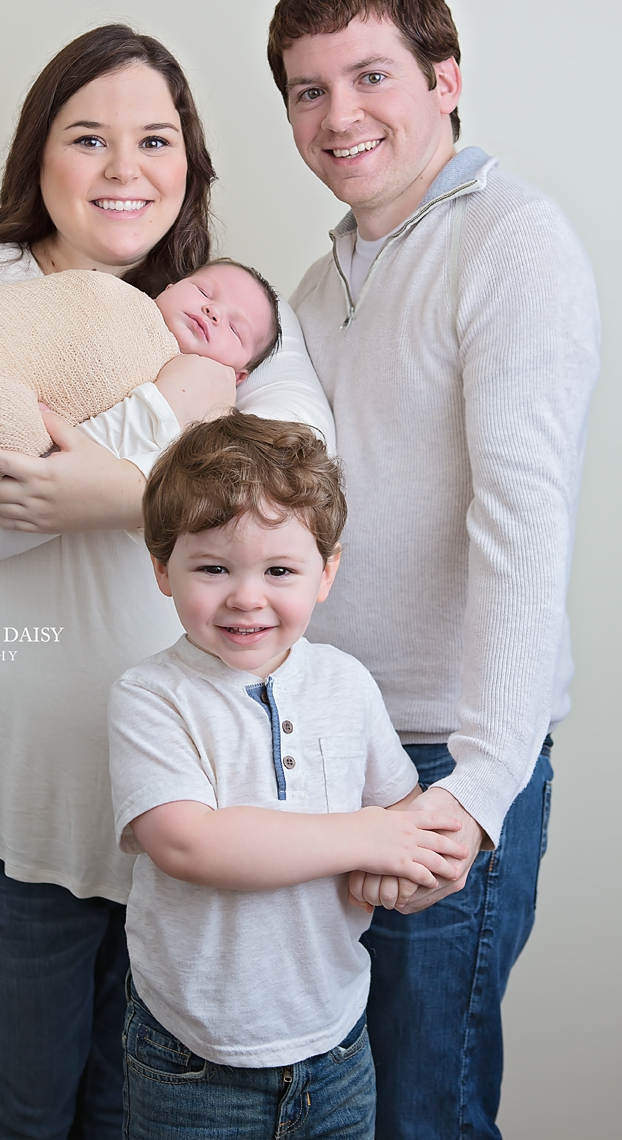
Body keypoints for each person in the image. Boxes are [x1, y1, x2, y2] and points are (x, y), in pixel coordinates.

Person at [0, 23, 335, 1140]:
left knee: (136, 1117)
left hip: (183, 813)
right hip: (6, 802)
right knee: (20, 1109)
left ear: (190, 163)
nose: (125, 169)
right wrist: (183, 403)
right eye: (89, 137)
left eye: (155, 138)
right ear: (40, 155)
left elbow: (292, 492)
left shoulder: (221, 303)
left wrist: (101, 488)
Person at [266, 0, 601, 1139]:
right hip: (324, 734)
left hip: (440, 755)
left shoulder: (511, 240)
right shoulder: (320, 280)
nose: (338, 114)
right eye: (307, 91)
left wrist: (482, 780)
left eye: (369, 76)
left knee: (426, 1112)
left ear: (445, 79)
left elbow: (523, 516)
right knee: (325, 1106)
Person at [108, 413, 468, 1140]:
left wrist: (413, 869)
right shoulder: (150, 697)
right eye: (213, 568)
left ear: (325, 573)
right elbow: (190, 846)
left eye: (279, 570)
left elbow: (402, 818)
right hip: (194, 1062)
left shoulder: (347, 683)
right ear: (160, 569)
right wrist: (365, 838)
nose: (246, 597)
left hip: (336, 1047)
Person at [0, 258, 281, 484]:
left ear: (239, 376)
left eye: (234, 327)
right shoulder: (108, 298)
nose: (213, 311)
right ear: (169, 288)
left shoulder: (214, 410)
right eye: (205, 291)